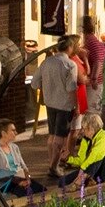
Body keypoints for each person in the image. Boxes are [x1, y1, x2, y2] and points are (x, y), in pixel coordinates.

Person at [30, 38, 81, 171]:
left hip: (49, 103)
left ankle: (51, 162)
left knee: (51, 135)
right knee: (60, 137)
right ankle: (53, 166)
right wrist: (76, 106)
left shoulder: (46, 62)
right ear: (69, 47)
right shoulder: (70, 65)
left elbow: (34, 83)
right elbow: (71, 88)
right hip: (64, 105)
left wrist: (46, 87)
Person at [60, 112, 105, 186]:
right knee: (62, 182)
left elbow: (95, 155)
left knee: (99, 158)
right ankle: (89, 180)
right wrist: (68, 159)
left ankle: (84, 179)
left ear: (91, 128)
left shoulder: (104, 136)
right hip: (91, 169)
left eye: (84, 128)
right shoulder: (85, 140)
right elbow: (82, 160)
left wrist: (82, 171)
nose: (82, 131)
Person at [0, 119, 36, 196]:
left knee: (40, 189)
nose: (16, 133)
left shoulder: (15, 147)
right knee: (26, 193)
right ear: (4, 133)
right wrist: (18, 182)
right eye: (13, 131)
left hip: (20, 178)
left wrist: (28, 178)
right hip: (6, 183)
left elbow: (24, 167)